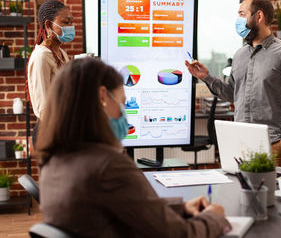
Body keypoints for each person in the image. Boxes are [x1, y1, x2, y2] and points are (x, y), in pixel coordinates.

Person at [36, 58, 231, 237]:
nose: (124, 111)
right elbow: (178, 234)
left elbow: (128, 209)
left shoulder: (53, 161)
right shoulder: (108, 166)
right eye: (122, 102)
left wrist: (181, 207)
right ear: (103, 96)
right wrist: (214, 217)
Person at [185, 0, 281, 168]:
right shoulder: (239, 55)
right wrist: (205, 76)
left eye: (242, 14)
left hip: (273, 145)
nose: (238, 20)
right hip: (241, 145)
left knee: (275, 195)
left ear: (259, 16)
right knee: (240, 193)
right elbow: (231, 93)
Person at [27, 0, 74, 146]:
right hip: (50, 132)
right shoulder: (42, 57)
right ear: (48, 25)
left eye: (71, 22)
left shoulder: (62, 54)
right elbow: (43, 107)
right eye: (65, 22)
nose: (70, 27)